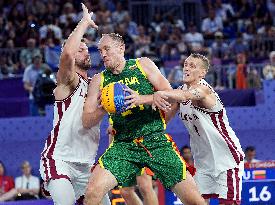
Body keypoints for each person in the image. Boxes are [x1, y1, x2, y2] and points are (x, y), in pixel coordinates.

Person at [82, 33, 206, 205]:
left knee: (195, 201)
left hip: (155, 141)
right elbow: (87, 121)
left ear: (121, 48)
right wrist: (104, 107)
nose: (102, 54)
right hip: (123, 145)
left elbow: (171, 97)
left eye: (106, 49)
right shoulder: (98, 80)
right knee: (92, 193)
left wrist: (142, 99)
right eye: (100, 50)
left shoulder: (143, 65)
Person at [39, 4, 110, 205]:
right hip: (60, 159)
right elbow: (67, 55)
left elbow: (91, 121)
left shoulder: (95, 86)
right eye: (80, 49)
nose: (85, 52)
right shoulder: (67, 81)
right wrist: (84, 23)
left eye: (86, 49)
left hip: (86, 163)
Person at [154, 53, 244, 205]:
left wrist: (160, 93)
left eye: (192, 66)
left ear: (202, 73)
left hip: (226, 160)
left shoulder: (204, 90)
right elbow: (162, 121)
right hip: (202, 163)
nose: (186, 68)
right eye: (186, 65)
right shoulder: (181, 91)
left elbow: (186, 96)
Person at [107, 126, 159, 205]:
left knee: (145, 186)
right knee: (125, 191)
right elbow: (112, 130)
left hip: (142, 143)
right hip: (123, 150)